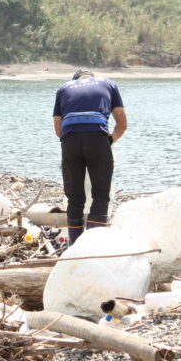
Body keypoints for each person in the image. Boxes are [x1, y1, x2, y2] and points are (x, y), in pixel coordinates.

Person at [52, 69, 126, 244]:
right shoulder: (109, 84)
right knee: (101, 194)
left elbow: (58, 131)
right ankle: (93, 246)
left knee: (75, 197)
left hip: (70, 143)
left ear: (75, 79)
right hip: (97, 139)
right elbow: (122, 124)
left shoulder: (63, 89)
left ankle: (75, 245)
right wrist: (108, 142)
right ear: (92, 77)